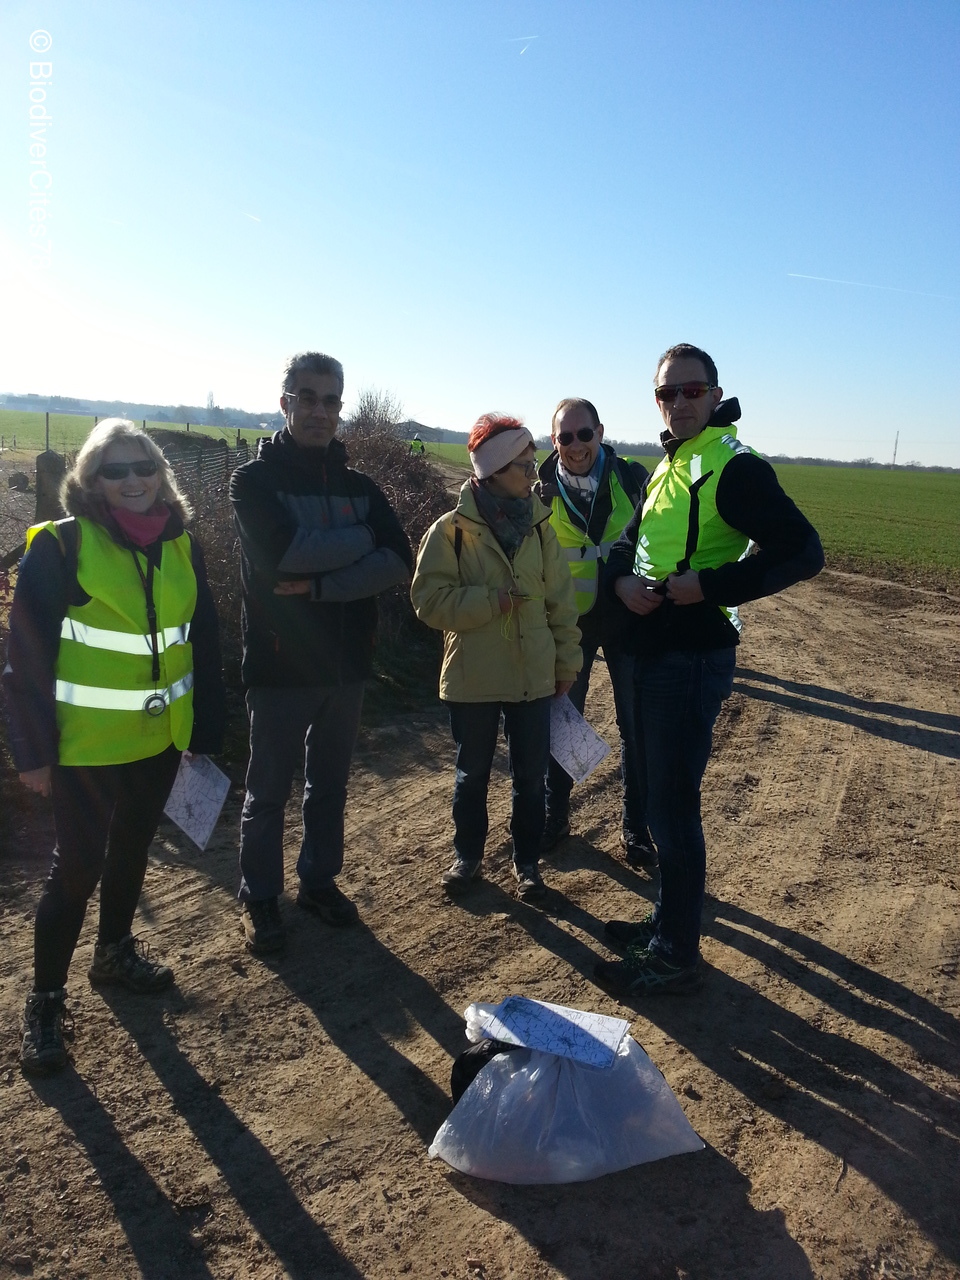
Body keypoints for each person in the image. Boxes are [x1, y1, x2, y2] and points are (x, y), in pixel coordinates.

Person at [594, 344, 824, 996]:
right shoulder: (672, 464)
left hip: (690, 656)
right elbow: (630, 543)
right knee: (658, 797)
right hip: (652, 647)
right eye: (667, 393)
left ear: (716, 396)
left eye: (692, 391)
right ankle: (666, 924)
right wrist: (620, 584)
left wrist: (713, 585)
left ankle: (675, 954)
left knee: (672, 809)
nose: (679, 403)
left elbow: (804, 551)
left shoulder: (734, 466)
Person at [4, 418, 225, 1074]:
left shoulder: (183, 545)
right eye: (115, 470)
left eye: (143, 467)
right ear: (90, 480)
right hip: (86, 747)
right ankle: (45, 1003)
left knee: (132, 849)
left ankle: (114, 953)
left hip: (160, 738)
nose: (133, 481)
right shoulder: (62, 546)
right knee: (76, 869)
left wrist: (204, 732)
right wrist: (32, 752)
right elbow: (24, 658)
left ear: (161, 473)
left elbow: (203, 642)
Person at [230, 351, 412, 954]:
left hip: (347, 664)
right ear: (285, 403)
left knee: (329, 785)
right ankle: (260, 897)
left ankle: (317, 882)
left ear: (340, 409)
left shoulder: (362, 487)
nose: (319, 411)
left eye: (330, 400)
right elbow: (283, 555)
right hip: (281, 664)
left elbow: (398, 560)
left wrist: (318, 587)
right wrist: (363, 538)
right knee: (267, 793)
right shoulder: (253, 482)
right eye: (306, 398)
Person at [411, 414, 581, 901]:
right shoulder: (450, 531)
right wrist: (491, 601)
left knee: (531, 778)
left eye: (532, 464)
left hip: (533, 673)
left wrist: (567, 662)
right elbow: (427, 601)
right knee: (472, 776)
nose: (533, 475)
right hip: (473, 676)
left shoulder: (541, 528)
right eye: (523, 466)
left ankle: (527, 866)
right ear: (493, 471)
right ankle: (467, 859)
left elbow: (561, 602)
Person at [536, 398, 654, 867]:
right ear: (554, 441)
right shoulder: (540, 490)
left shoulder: (634, 477)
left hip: (629, 620)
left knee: (636, 726)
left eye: (584, 434)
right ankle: (555, 817)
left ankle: (636, 827)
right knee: (564, 722)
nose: (576, 445)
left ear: (600, 433)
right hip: (571, 624)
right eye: (565, 437)